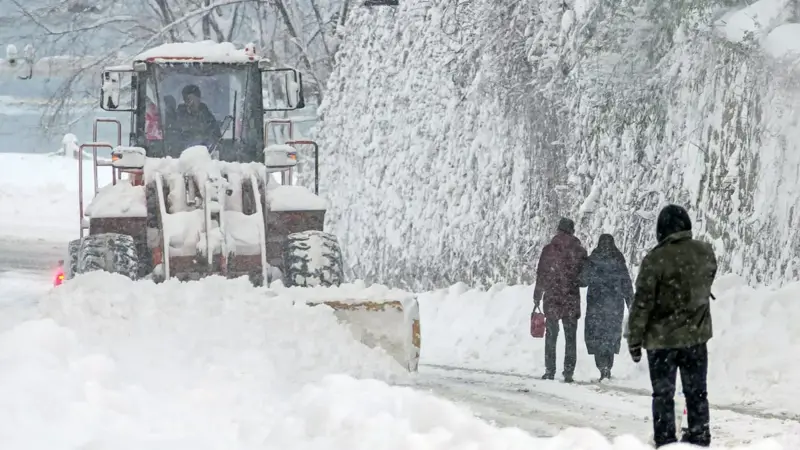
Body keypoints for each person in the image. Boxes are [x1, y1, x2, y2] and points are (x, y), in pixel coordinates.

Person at [626, 204, 717, 448]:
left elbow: (642, 304)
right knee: (697, 392)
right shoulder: (705, 252)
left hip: (661, 342)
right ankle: (699, 438)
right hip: (696, 337)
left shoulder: (655, 260)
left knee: (663, 395)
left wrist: (634, 339)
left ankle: (666, 441)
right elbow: (706, 281)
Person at [533, 217, 587, 383]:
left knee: (551, 336)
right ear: (572, 231)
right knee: (571, 338)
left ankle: (550, 371)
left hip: (552, 299)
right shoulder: (579, 251)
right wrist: (574, 280)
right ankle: (568, 372)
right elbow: (585, 280)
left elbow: (541, 274)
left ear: (558, 230)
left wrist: (537, 296)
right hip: (570, 299)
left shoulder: (548, 250)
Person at [579, 233, 633, 381]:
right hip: (614, 307)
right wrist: (631, 304)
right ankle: (607, 367)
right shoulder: (618, 260)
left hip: (596, 306)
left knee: (596, 337)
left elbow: (583, 281)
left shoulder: (593, 260)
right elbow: (626, 284)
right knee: (610, 337)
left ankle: (602, 367)